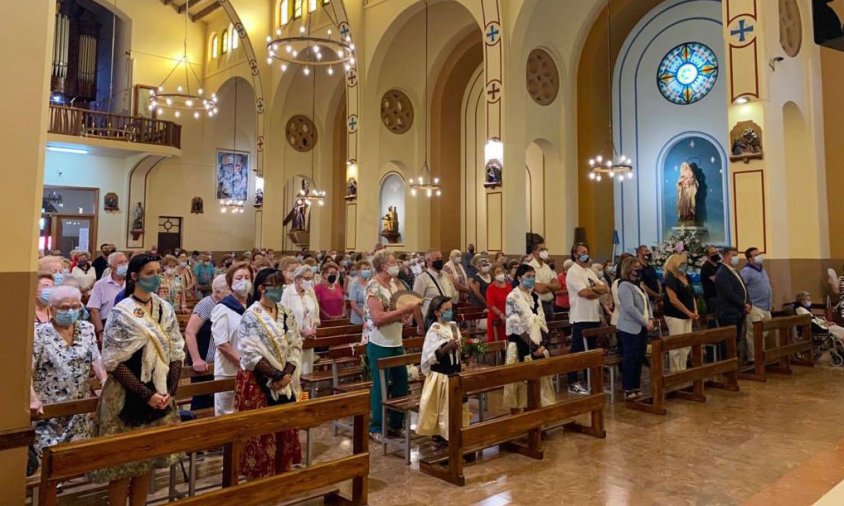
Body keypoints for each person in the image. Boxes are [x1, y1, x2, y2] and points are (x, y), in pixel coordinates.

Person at [91, 254, 185, 505]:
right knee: (122, 466)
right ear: (134, 277)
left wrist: (170, 391)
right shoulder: (121, 312)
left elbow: (176, 349)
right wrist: (147, 394)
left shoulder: (164, 308)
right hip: (126, 392)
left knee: (147, 462)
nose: (156, 278)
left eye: (158, 272)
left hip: (160, 389)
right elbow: (112, 360)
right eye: (150, 273)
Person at [235, 268, 304, 477]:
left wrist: (287, 375)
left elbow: (295, 345)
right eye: (275, 286)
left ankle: (281, 478)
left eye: (282, 286)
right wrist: (276, 376)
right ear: (262, 288)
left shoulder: (285, 313)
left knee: (284, 432)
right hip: (258, 382)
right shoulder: (251, 316)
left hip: (284, 380)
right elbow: (250, 353)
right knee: (262, 437)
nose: (280, 290)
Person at [30, 286, 107, 464]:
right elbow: (28, 371)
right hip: (50, 410)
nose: (70, 311)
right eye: (64, 308)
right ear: (52, 309)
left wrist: (104, 381)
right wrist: (32, 398)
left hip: (78, 407)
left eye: (75, 307)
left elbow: (96, 359)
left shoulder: (87, 329)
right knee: (51, 463)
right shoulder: (39, 333)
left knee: (76, 461)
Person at [365, 252, 423, 442]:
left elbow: (401, 304)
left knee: (401, 381)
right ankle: (376, 427)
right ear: (383, 266)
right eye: (392, 262)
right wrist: (402, 311)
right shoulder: (373, 286)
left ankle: (396, 424)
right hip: (379, 341)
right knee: (380, 385)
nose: (396, 265)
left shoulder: (395, 283)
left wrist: (404, 317)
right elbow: (378, 318)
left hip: (396, 339)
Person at [502, 264, 555, 410]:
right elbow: (515, 325)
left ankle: (537, 416)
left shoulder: (534, 296)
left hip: (537, 344)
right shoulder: (512, 297)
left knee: (538, 383)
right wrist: (533, 347)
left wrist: (544, 344)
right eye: (528, 276)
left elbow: (541, 320)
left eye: (533, 276)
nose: (531, 279)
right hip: (521, 344)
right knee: (520, 385)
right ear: (519, 278)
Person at [417, 296, 469, 441]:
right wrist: (447, 347)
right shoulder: (434, 330)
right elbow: (431, 356)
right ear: (437, 312)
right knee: (442, 408)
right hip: (442, 374)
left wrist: (465, 351)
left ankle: (457, 434)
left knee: (457, 406)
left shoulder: (453, 326)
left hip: (455, 370)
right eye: (446, 310)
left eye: (450, 309)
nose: (449, 312)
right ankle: (443, 437)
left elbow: (459, 346)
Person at [211, 262, 252, 415]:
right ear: (230, 283)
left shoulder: (252, 307)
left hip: (251, 368)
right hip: (228, 370)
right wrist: (242, 363)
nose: (244, 281)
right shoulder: (223, 308)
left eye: (247, 277)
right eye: (239, 278)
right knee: (226, 413)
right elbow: (222, 344)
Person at [566, 243, 608, 395]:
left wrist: (594, 290)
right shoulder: (573, 272)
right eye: (583, 252)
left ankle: (589, 381)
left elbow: (605, 288)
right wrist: (595, 291)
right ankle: (572, 382)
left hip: (593, 316)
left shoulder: (589, 271)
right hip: (580, 317)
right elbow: (585, 293)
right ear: (575, 255)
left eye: (587, 252)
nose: (586, 254)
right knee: (577, 352)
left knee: (590, 351)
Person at [183, 275, 229, 410]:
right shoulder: (206, 304)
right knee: (202, 400)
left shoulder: (230, 304)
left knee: (221, 399)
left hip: (222, 362)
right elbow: (190, 332)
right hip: (205, 362)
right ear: (218, 292)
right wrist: (196, 359)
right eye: (229, 288)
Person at [615, 257, 654, 400]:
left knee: (639, 357)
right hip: (629, 328)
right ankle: (628, 387)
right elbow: (629, 308)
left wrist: (651, 318)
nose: (638, 269)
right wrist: (644, 322)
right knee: (630, 358)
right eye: (635, 267)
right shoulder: (624, 285)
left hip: (642, 326)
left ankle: (636, 386)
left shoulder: (638, 284)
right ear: (628, 268)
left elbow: (646, 302)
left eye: (639, 266)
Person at [662, 253, 699, 372]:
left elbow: (691, 295)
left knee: (686, 345)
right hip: (675, 315)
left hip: (688, 315)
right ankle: (675, 372)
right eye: (682, 263)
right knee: (676, 346)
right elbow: (673, 300)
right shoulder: (670, 278)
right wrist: (688, 313)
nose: (685, 265)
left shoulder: (686, 277)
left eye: (686, 263)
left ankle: (683, 370)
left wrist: (695, 310)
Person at [281, 265, 320, 374]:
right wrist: (300, 331)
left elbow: (316, 312)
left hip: (309, 337)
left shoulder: (310, 291)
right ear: (298, 279)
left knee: (307, 370)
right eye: (306, 278)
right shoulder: (287, 292)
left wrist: (313, 329)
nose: (309, 281)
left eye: (311, 278)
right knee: (294, 371)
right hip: (292, 339)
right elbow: (283, 317)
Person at [714, 247, 751, 362]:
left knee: (736, 339)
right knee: (729, 341)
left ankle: (734, 363)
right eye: (733, 255)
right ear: (725, 256)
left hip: (738, 311)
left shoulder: (734, 271)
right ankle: (728, 365)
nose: (736, 258)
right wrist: (743, 304)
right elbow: (729, 293)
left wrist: (748, 302)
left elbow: (743, 288)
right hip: (729, 312)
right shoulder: (722, 272)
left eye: (736, 255)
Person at [87, 251, 128, 343]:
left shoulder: (132, 283)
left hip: (128, 325)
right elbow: (94, 310)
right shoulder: (100, 284)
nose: (124, 265)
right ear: (111, 266)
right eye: (120, 263)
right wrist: (101, 332)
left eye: (125, 262)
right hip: (107, 324)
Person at [741, 247, 772, 362]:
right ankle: (754, 359)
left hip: (766, 307)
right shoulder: (747, 271)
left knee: (764, 334)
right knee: (754, 335)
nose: (759, 256)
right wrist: (746, 303)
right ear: (749, 259)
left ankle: (761, 356)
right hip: (754, 307)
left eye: (759, 254)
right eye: (755, 255)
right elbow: (742, 288)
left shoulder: (762, 269)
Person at [412, 249, 457, 321]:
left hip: (448, 317)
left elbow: (454, 297)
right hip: (432, 319)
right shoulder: (421, 279)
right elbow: (415, 304)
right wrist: (420, 324)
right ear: (428, 261)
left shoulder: (445, 275)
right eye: (437, 259)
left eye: (441, 258)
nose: (440, 260)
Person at [528, 240, 561, 318]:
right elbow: (539, 289)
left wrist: (544, 285)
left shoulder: (547, 267)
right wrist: (551, 286)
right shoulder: (530, 267)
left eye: (546, 249)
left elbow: (558, 286)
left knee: (550, 329)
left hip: (549, 304)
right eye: (542, 250)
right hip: (538, 304)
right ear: (534, 252)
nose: (545, 251)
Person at [486, 264, 512, 342]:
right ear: (493, 274)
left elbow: (512, 300)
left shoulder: (508, 285)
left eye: (501, 271)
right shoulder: (491, 288)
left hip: (508, 317)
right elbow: (491, 305)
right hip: (496, 319)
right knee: (497, 343)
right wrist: (500, 314)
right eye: (497, 272)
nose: (500, 273)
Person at [347, 259, 372, 325]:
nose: (367, 270)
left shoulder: (372, 284)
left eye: (368, 269)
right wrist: (365, 317)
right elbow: (354, 305)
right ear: (358, 271)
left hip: (372, 319)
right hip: (358, 320)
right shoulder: (354, 286)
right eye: (364, 269)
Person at [700, 245, 721, 319]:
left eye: (716, 252)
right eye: (712, 253)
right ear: (707, 256)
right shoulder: (706, 267)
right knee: (714, 320)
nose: (715, 254)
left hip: (720, 296)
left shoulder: (719, 265)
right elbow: (717, 280)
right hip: (712, 297)